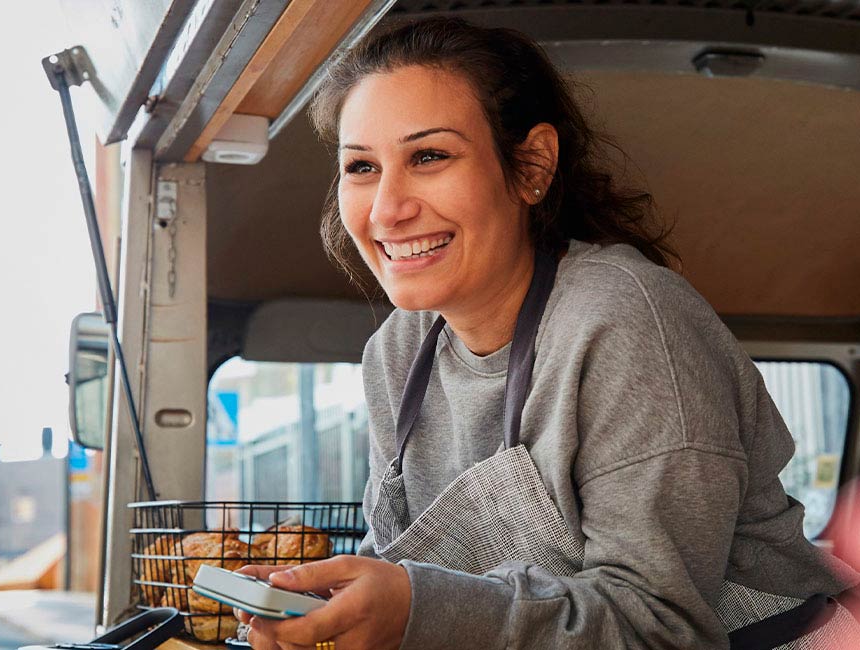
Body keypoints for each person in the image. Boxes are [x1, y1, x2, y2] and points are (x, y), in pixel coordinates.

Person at [234, 17, 859, 650]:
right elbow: (398, 567)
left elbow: (663, 627)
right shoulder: (396, 352)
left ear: (533, 164)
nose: (388, 208)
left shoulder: (626, 322)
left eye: (429, 156)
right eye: (361, 167)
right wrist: (327, 605)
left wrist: (415, 610)